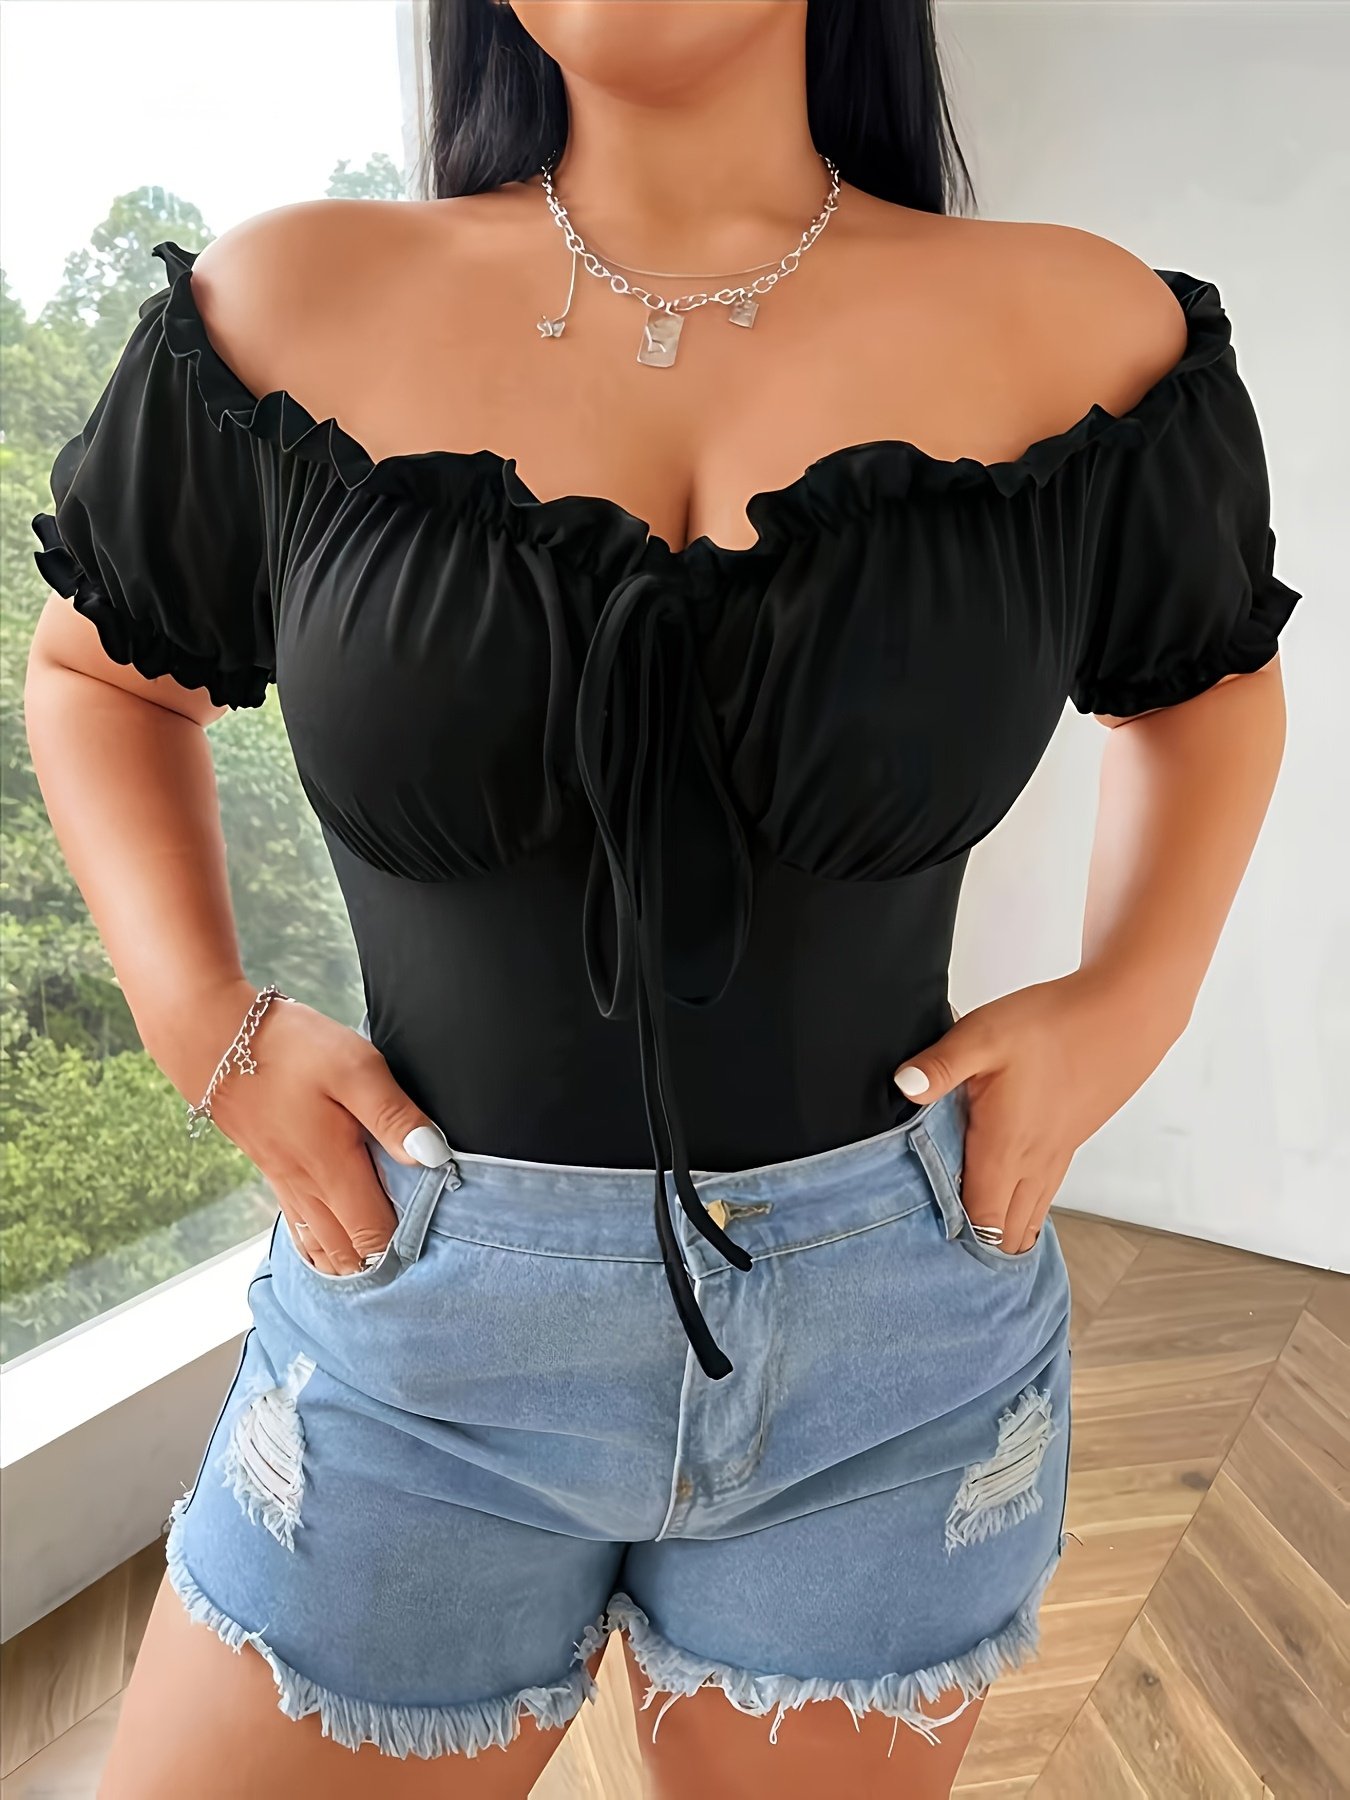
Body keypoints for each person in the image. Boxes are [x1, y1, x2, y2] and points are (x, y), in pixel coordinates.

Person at [24, 2, 1300, 1796]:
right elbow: (102, 673)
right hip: (410, 1327)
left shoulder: (1087, 330)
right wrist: (198, 1017)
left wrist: (1132, 997)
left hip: (899, 1344)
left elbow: (1204, 684)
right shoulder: (281, 306)